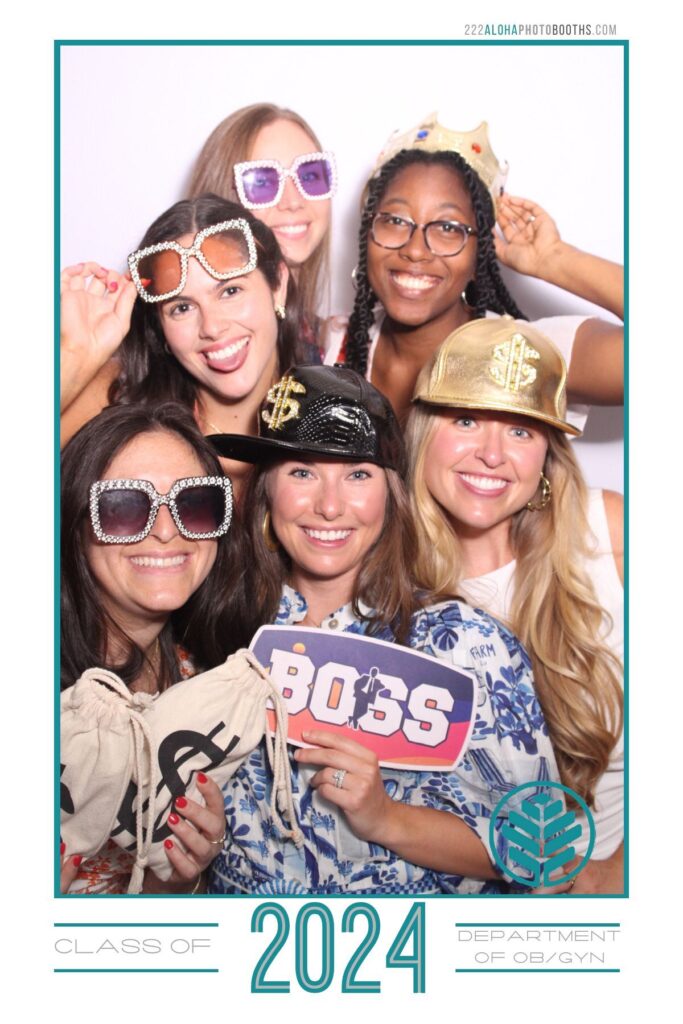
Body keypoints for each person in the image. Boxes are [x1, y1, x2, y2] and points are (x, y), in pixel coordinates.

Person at [207, 365, 559, 896]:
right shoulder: (218, 625)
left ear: (391, 494)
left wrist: (385, 817)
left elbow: (543, 853)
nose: (329, 505)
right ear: (267, 492)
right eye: (301, 472)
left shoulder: (466, 643)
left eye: (356, 474)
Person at [405, 317, 624, 893]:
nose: (492, 454)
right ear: (424, 433)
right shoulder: (381, 584)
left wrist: (612, 877)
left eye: (522, 430)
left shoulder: (610, 536)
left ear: (547, 456)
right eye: (467, 419)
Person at [329, 114, 623, 425]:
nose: (415, 250)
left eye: (447, 227)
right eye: (395, 221)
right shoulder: (326, 345)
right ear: (366, 236)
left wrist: (556, 258)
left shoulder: (521, 356)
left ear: (479, 253)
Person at [60, 402, 246, 894]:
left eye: (194, 504)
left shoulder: (207, 677)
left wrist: (179, 877)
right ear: (75, 523)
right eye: (124, 507)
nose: (166, 531)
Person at [60, 195, 309, 489]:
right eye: (182, 308)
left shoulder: (332, 411)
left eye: (230, 291)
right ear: (160, 327)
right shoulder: (112, 402)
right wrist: (73, 355)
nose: (212, 327)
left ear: (278, 286)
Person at [188, 103, 336, 350]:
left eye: (309, 176)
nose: (293, 202)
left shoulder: (328, 340)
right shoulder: (218, 344)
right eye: (262, 182)